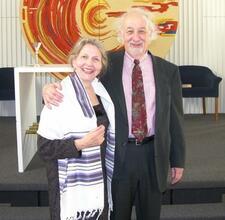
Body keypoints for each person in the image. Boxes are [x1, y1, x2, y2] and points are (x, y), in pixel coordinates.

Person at [42, 8, 185, 220]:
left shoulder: (169, 71)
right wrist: (49, 89)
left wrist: (178, 159)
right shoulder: (107, 65)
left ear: (151, 34)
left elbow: (175, 120)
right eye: (129, 31)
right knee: (117, 214)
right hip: (119, 156)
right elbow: (79, 81)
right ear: (121, 35)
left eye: (141, 31)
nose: (135, 37)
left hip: (154, 155)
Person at [37, 38, 115, 220]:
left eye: (96, 59)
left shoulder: (102, 92)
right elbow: (44, 148)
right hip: (68, 184)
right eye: (84, 57)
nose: (89, 63)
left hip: (99, 177)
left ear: (101, 65)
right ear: (73, 61)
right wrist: (81, 144)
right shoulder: (58, 95)